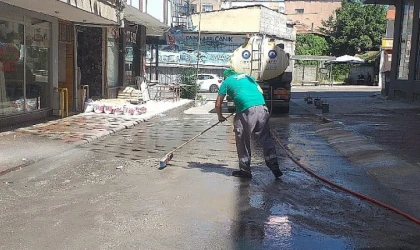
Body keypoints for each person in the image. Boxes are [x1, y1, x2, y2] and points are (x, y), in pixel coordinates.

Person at [215, 68, 283, 179]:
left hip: (246, 110)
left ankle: (245, 170)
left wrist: (220, 116)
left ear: (226, 77)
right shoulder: (247, 76)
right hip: (262, 107)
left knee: (242, 139)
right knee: (266, 138)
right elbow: (260, 91)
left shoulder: (226, 82)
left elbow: (218, 104)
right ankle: (274, 165)